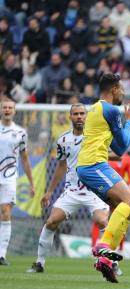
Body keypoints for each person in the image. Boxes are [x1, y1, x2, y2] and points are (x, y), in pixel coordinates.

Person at [76, 73, 130, 283]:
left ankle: (106, 261)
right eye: (122, 90)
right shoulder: (109, 109)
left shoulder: (99, 109)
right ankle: (103, 245)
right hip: (93, 165)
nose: (124, 94)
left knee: (125, 211)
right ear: (115, 89)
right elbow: (124, 144)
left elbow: (118, 149)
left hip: (90, 165)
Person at [27, 104, 110, 273]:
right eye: (76, 114)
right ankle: (39, 263)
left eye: (82, 114)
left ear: (87, 116)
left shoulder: (95, 136)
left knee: (103, 222)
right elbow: (61, 166)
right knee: (51, 222)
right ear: (70, 117)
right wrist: (50, 191)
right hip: (72, 191)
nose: (79, 116)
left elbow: (113, 154)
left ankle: (111, 264)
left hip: (93, 191)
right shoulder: (63, 140)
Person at [0, 99, 35, 266]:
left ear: (14, 111)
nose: (7, 110)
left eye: (10, 108)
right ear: (1, 110)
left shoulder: (20, 132)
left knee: (6, 213)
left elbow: (25, 158)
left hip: (9, 177)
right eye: (4, 107)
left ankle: (1, 255)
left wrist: (31, 183)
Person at [91, 151, 130, 275]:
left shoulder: (126, 158)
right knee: (101, 220)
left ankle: (116, 257)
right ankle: (98, 250)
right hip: (103, 189)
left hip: (118, 192)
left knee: (122, 220)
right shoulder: (100, 153)